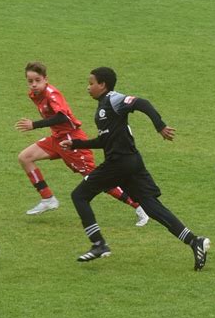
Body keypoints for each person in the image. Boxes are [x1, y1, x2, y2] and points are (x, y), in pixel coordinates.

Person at [60, 67, 210, 271]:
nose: (88, 88)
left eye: (91, 83)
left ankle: (98, 244)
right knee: (151, 207)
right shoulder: (103, 108)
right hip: (130, 162)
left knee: (79, 195)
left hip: (118, 163)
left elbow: (142, 103)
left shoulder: (113, 99)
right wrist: (76, 145)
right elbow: (105, 141)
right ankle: (194, 241)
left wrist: (160, 126)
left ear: (102, 85)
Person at [15, 62, 149, 226]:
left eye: (37, 80)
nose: (34, 85)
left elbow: (63, 117)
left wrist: (34, 125)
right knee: (25, 157)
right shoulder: (34, 94)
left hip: (71, 140)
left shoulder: (52, 95)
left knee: (97, 179)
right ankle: (48, 198)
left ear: (46, 79)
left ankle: (139, 206)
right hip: (57, 139)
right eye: (30, 81)